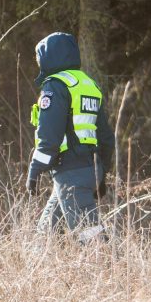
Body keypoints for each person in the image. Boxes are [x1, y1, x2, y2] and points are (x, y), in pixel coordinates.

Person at [25, 32, 115, 243]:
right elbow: (106, 138)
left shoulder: (55, 86)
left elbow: (49, 137)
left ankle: (118, 274)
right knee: (44, 238)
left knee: (93, 242)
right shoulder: (88, 85)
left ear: (48, 58)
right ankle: (35, 274)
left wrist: (34, 171)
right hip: (88, 169)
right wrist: (101, 174)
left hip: (70, 173)